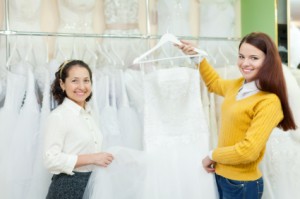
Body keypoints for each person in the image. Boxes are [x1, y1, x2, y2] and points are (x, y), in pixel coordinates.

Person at [178, 32, 297, 199]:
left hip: (242, 185)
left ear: (268, 62)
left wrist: (212, 155)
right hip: (222, 176)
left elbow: (248, 151)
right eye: (241, 56)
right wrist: (197, 56)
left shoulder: (269, 101)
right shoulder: (238, 85)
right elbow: (214, 84)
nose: (245, 63)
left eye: (254, 58)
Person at [43, 60, 114, 199]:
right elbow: (50, 160)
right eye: (75, 81)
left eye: (86, 80)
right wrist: (93, 158)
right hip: (68, 187)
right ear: (62, 84)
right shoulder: (58, 116)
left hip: (92, 184)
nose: (81, 86)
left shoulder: (91, 113)